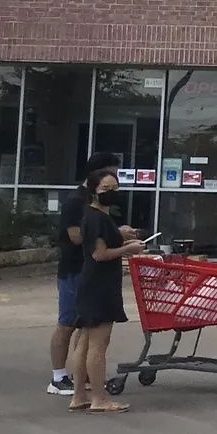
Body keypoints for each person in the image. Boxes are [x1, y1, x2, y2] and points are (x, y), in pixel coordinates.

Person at [66, 168, 145, 413]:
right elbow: (99, 254)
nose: (111, 193)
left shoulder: (97, 217)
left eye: (115, 189)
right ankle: (99, 398)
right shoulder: (95, 217)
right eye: (105, 189)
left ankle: (79, 396)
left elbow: (104, 244)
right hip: (99, 285)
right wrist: (127, 251)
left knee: (86, 342)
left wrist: (125, 242)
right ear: (93, 190)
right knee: (98, 344)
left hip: (93, 283)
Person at [47, 152, 123, 394]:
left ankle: (84, 376)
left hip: (91, 272)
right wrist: (109, 235)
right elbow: (76, 236)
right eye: (110, 177)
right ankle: (58, 376)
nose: (113, 184)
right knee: (67, 322)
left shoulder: (98, 204)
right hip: (73, 269)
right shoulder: (76, 201)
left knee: (86, 326)